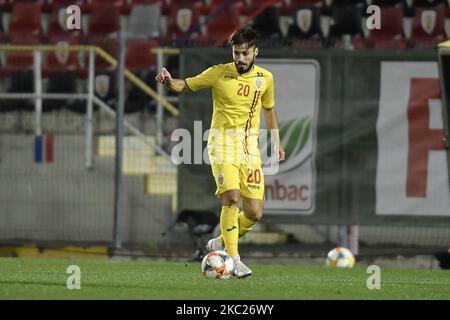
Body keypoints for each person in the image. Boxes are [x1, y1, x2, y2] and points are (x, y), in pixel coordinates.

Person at [155, 26, 285, 278]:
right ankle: (234, 259)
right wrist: (169, 81)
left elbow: (269, 109)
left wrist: (277, 142)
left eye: (245, 53)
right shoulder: (218, 73)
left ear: (255, 51)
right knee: (231, 198)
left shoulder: (265, 78)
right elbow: (185, 86)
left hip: (250, 149)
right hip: (221, 144)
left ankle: (221, 242)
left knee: (254, 213)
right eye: (236, 53)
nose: (240, 58)